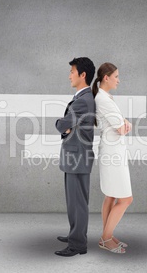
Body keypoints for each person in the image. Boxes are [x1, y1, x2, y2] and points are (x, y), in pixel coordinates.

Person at [54, 57, 96, 257]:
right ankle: (75, 235)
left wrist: (60, 124)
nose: (69, 75)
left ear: (83, 75)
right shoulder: (83, 98)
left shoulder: (83, 101)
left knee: (77, 203)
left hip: (77, 158)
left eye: (72, 71)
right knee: (74, 202)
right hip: (76, 157)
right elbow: (69, 126)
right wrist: (67, 126)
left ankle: (78, 244)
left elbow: (63, 124)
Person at [92, 62, 133, 254]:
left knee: (111, 195)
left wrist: (123, 122)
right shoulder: (104, 99)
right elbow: (120, 128)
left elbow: (120, 124)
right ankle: (106, 238)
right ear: (106, 77)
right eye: (116, 76)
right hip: (113, 154)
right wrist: (124, 122)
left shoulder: (104, 97)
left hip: (112, 151)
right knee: (126, 199)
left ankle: (107, 235)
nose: (119, 80)